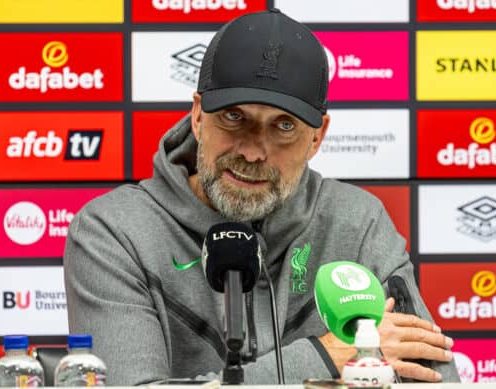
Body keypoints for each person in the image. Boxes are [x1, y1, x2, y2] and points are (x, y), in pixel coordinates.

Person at [63, 8, 460, 385]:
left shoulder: (358, 222)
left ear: (317, 137)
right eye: (235, 117)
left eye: (283, 126)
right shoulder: (114, 232)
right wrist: (326, 358)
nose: (253, 151)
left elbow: (434, 378)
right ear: (199, 117)